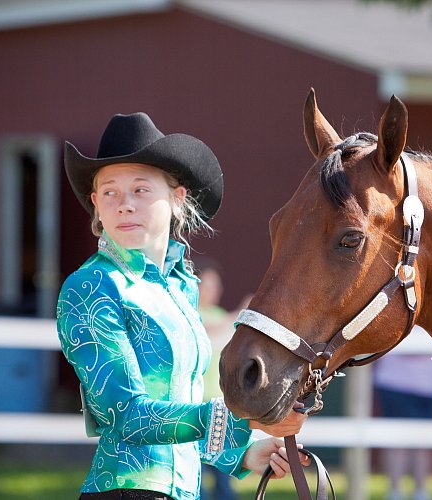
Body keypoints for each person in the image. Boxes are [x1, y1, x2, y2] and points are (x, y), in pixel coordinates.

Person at [56, 112, 308, 500]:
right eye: (110, 192)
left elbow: (181, 402)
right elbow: (125, 415)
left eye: (140, 189)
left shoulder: (181, 287)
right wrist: (245, 419)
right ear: (95, 203)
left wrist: (240, 455)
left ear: (177, 199)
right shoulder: (91, 287)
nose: (124, 204)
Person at [195, 257, 249, 500]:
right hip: (194, 406)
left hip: (219, 406)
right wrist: (240, 313)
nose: (215, 291)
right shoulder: (192, 315)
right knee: (196, 473)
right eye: (209, 285)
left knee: (222, 472)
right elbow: (208, 332)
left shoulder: (219, 314)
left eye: (216, 285)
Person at [372, 328, 432, 500]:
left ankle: (421, 492)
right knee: (397, 441)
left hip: (428, 385)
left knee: (423, 442)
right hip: (396, 383)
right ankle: (395, 491)